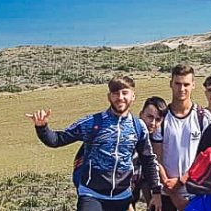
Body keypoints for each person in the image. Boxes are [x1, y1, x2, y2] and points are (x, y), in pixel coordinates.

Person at [27, 75, 162, 211]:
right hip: (92, 195)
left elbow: (148, 160)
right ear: (109, 97)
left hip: (122, 197)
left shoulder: (138, 126)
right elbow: (57, 140)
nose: (120, 97)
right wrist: (42, 127)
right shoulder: (92, 123)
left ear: (133, 96)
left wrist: (156, 192)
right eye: (115, 93)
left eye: (125, 93)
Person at [157, 65, 211, 211]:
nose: (182, 89)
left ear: (193, 85)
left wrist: (183, 181)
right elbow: (156, 158)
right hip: (166, 193)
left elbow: (207, 156)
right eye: (178, 84)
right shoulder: (161, 118)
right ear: (171, 84)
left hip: (195, 192)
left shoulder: (203, 117)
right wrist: (171, 190)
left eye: (186, 84)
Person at [134, 97, 169, 208]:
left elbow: (144, 176)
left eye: (158, 119)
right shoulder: (130, 138)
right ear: (141, 115)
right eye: (149, 117)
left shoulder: (150, 141)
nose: (153, 123)